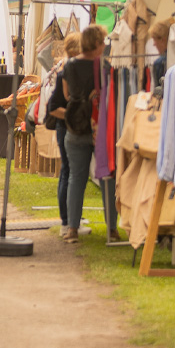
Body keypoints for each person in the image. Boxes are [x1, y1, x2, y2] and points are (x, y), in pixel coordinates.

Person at [52, 25, 109, 244]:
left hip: (74, 127)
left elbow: (66, 95)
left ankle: (71, 227)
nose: (105, 46)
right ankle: (111, 229)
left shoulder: (69, 67)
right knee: (106, 177)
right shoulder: (103, 66)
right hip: (98, 127)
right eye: (102, 42)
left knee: (75, 177)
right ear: (96, 43)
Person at [43, 33, 82, 235]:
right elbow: (55, 104)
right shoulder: (67, 69)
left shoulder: (63, 67)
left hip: (63, 124)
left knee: (67, 171)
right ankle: (67, 221)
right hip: (65, 124)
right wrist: (74, 115)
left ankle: (68, 219)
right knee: (68, 171)